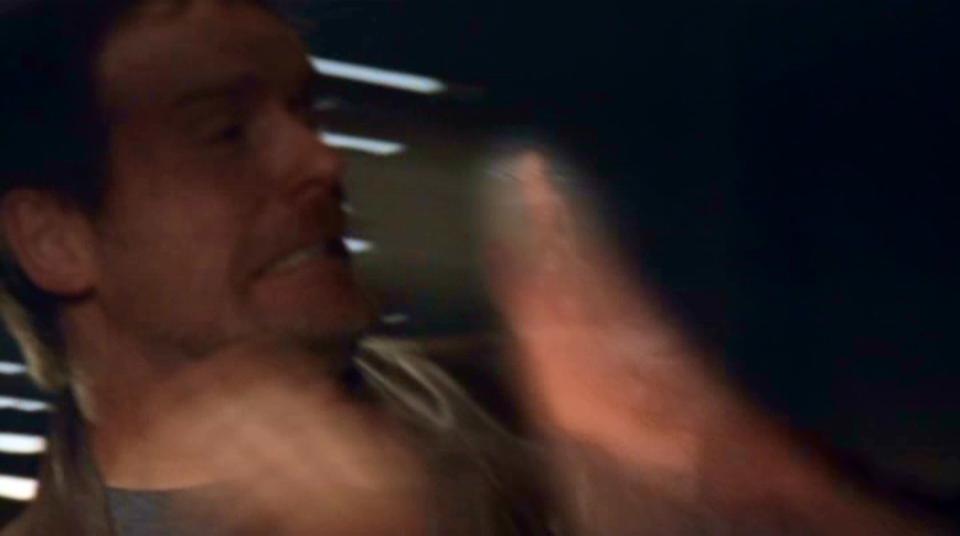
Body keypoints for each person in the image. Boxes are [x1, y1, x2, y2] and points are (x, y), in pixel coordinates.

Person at [0, 0, 948, 534]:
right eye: (224, 132)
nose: (322, 161)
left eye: (309, 112)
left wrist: (746, 477)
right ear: (55, 239)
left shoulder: (542, 408)